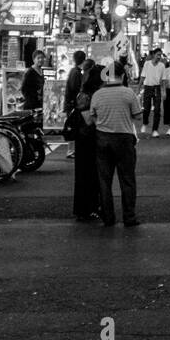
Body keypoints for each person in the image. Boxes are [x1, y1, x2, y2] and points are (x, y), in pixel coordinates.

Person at [90, 60, 143, 227]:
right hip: (124, 139)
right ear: (122, 75)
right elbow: (138, 116)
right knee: (127, 179)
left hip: (102, 138)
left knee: (104, 181)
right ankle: (129, 217)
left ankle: (108, 217)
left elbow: (92, 117)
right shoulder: (128, 93)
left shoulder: (97, 94)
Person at [72, 58, 103, 222]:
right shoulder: (85, 96)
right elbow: (88, 120)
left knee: (92, 175)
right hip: (85, 139)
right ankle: (85, 209)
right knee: (87, 175)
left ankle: (91, 206)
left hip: (89, 138)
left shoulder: (88, 94)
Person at [63, 49, 86, 159]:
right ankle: (71, 151)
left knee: (73, 126)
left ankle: (72, 150)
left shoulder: (74, 71)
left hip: (70, 104)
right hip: (73, 105)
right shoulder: (76, 73)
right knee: (73, 127)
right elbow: (76, 89)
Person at [139, 47, 165, 136]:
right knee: (146, 108)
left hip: (157, 88)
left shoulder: (162, 65)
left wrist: (163, 91)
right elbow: (142, 76)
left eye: (160, 55)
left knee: (157, 110)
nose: (159, 57)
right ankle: (145, 123)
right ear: (153, 55)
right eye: (158, 55)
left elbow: (163, 80)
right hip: (147, 87)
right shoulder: (147, 64)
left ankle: (155, 130)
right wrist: (138, 88)